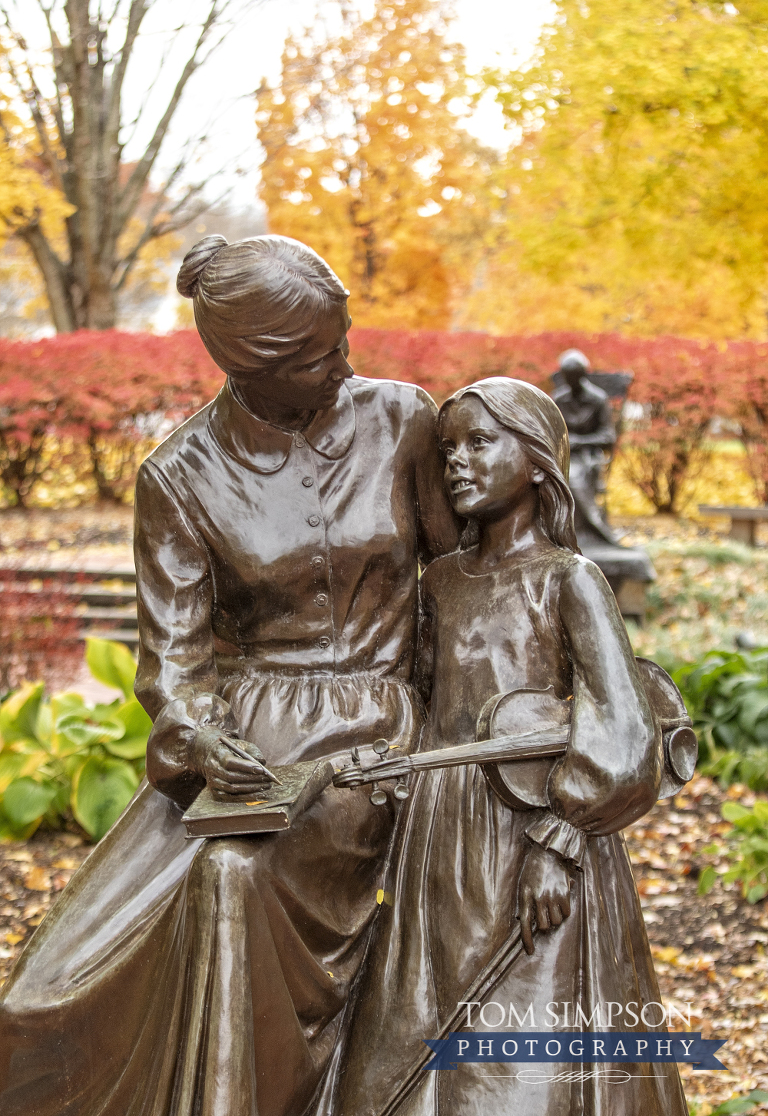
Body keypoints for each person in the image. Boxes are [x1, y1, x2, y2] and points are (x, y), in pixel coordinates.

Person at [0, 235, 459, 1116]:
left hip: (387, 732)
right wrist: (204, 741)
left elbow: (463, 584)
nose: (345, 365)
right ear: (251, 367)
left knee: (233, 881)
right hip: (245, 755)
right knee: (41, 1001)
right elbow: (172, 667)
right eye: (318, 356)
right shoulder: (179, 475)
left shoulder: (403, 420)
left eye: (343, 338)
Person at [330, 377, 688, 1116]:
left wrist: (561, 840)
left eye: (480, 442)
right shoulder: (441, 582)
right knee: (412, 1037)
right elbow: (421, 700)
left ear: (535, 460)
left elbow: (624, 730)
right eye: (448, 448)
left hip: (533, 829)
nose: (457, 462)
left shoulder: (570, 580)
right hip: (438, 837)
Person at [552, 348, 618, 544]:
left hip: (588, 456)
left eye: (574, 376)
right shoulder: (559, 399)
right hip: (562, 454)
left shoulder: (598, 399)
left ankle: (588, 531)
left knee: (573, 476)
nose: (570, 381)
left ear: (583, 375)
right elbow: (551, 431)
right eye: (567, 376)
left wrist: (580, 441)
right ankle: (554, 532)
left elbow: (608, 437)